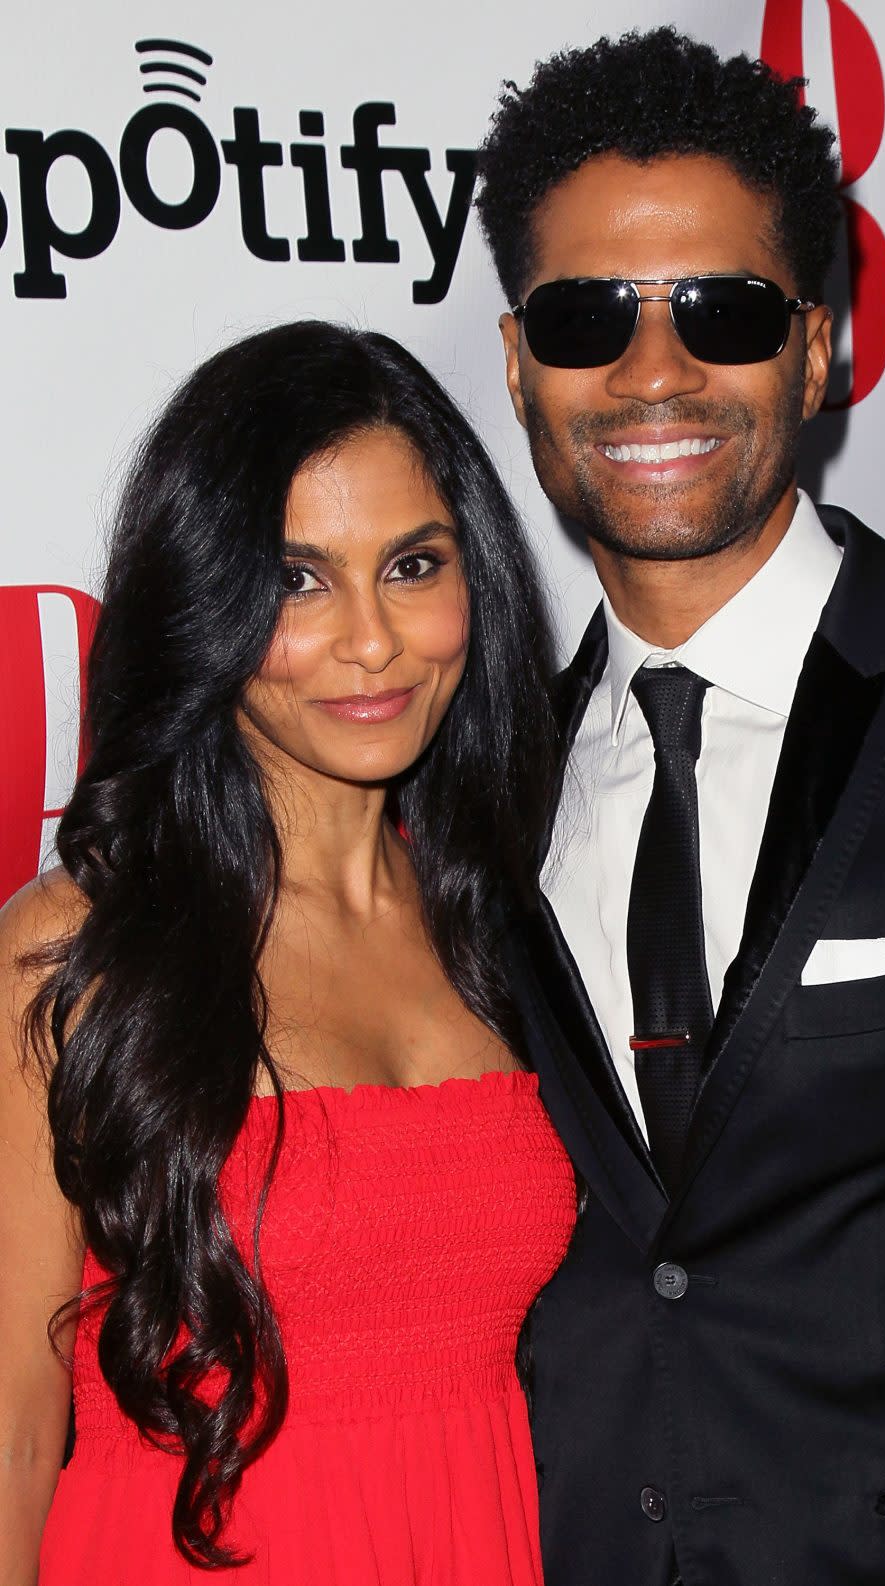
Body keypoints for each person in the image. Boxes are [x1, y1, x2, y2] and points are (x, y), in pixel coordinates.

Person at [476, 26, 885, 1586]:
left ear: (819, 346)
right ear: (520, 364)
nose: (653, 373)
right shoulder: (468, 788)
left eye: (720, 311)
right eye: (590, 319)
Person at [0, 320, 576, 1584]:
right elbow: (11, 1431)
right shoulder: (75, 946)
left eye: (413, 564)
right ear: (206, 603)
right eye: (298, 580)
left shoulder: (505, 921)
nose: (371, 640)